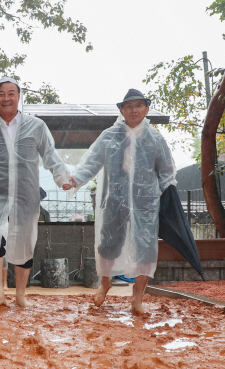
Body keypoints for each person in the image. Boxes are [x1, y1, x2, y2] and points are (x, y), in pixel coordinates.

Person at [0, 77, 70, 310]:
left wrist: (63, 178)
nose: (6, 98)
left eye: (11, 93)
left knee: (24, 240)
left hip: (26, 193)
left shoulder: (36, 126)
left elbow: (50, 155)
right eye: (1, 94)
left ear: (18, 97)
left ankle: (20, 294)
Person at [62, 89, 176, 315]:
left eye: (138, 105)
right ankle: (104, 284)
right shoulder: (109, 136)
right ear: (122, 110)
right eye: (129, 106)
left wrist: (169, 198)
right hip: (114, 202)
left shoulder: (155, 138)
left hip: (145, 205)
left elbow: (166, 172)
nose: (134, 110)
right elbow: (91, 162)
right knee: (108, 245)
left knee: (145, 248)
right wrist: (74, 180)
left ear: (146, 109)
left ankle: (137, 299)